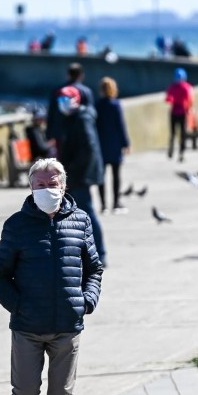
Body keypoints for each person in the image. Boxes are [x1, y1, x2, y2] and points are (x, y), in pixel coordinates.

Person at [0, 158, 104, 395]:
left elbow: (94, 268)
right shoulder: (16, 225)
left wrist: (86, 301)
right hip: (27, 327)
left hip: (68, 327)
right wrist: (19, 306)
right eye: (40, 184)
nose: (47, 189)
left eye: (52, 183)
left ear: (63, 186)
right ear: (30, 187)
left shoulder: (81, 221)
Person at [58, 85, 107, 266]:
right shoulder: (73, 118)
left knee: (87, 212)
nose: (61, 103)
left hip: (81, 175)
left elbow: (88, 148)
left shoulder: (82, 118)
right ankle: (90, 253)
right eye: (60, 100)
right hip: (77, 173)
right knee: (79, 213)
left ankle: (100, 253)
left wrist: (71, 167)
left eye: (65, 99)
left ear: (75, 100)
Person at [95, 77, 130, 215]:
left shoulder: (97, 105)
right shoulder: (115, 105)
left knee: (101, 177)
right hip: (114, 144)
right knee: (116, 176)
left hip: (101, 144)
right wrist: (125, 143)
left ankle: (103, 205)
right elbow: (121, 125)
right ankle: (116, 203)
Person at [46, 63, 94, 157]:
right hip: (81, 134)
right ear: (81, 75)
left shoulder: (57, 90)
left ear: (68, 75)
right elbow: (91, 114)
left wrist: (49, 134)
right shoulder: (86, 91)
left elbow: (51, 113)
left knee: (63, 161)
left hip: (60, 134)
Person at [165, 67, 194, 162]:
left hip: (174, 112)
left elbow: (168, 99)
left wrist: (174, 100)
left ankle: (171, 149)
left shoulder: (172, 87)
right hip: (183, 112)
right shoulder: (187, 87)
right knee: (183, 134)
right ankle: (181, 153)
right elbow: (190, 100)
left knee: (173, 133)